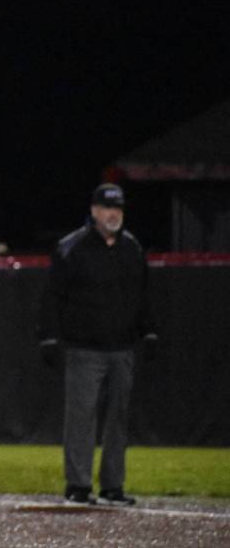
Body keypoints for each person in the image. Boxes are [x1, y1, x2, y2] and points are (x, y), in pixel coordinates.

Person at [37, 183, 158, 507]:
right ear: (93, 210)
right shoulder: (72, 248)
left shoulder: (131, 248)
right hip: (84, 349)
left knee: (118, 419)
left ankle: (112, 487)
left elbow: (142, 294)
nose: (113, 214)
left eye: (118, 208)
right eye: (107, 207)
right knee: (81, 418)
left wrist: (148, 330)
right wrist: (48, 337)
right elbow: (52, 298)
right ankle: (78, 485)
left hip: (122, 348)